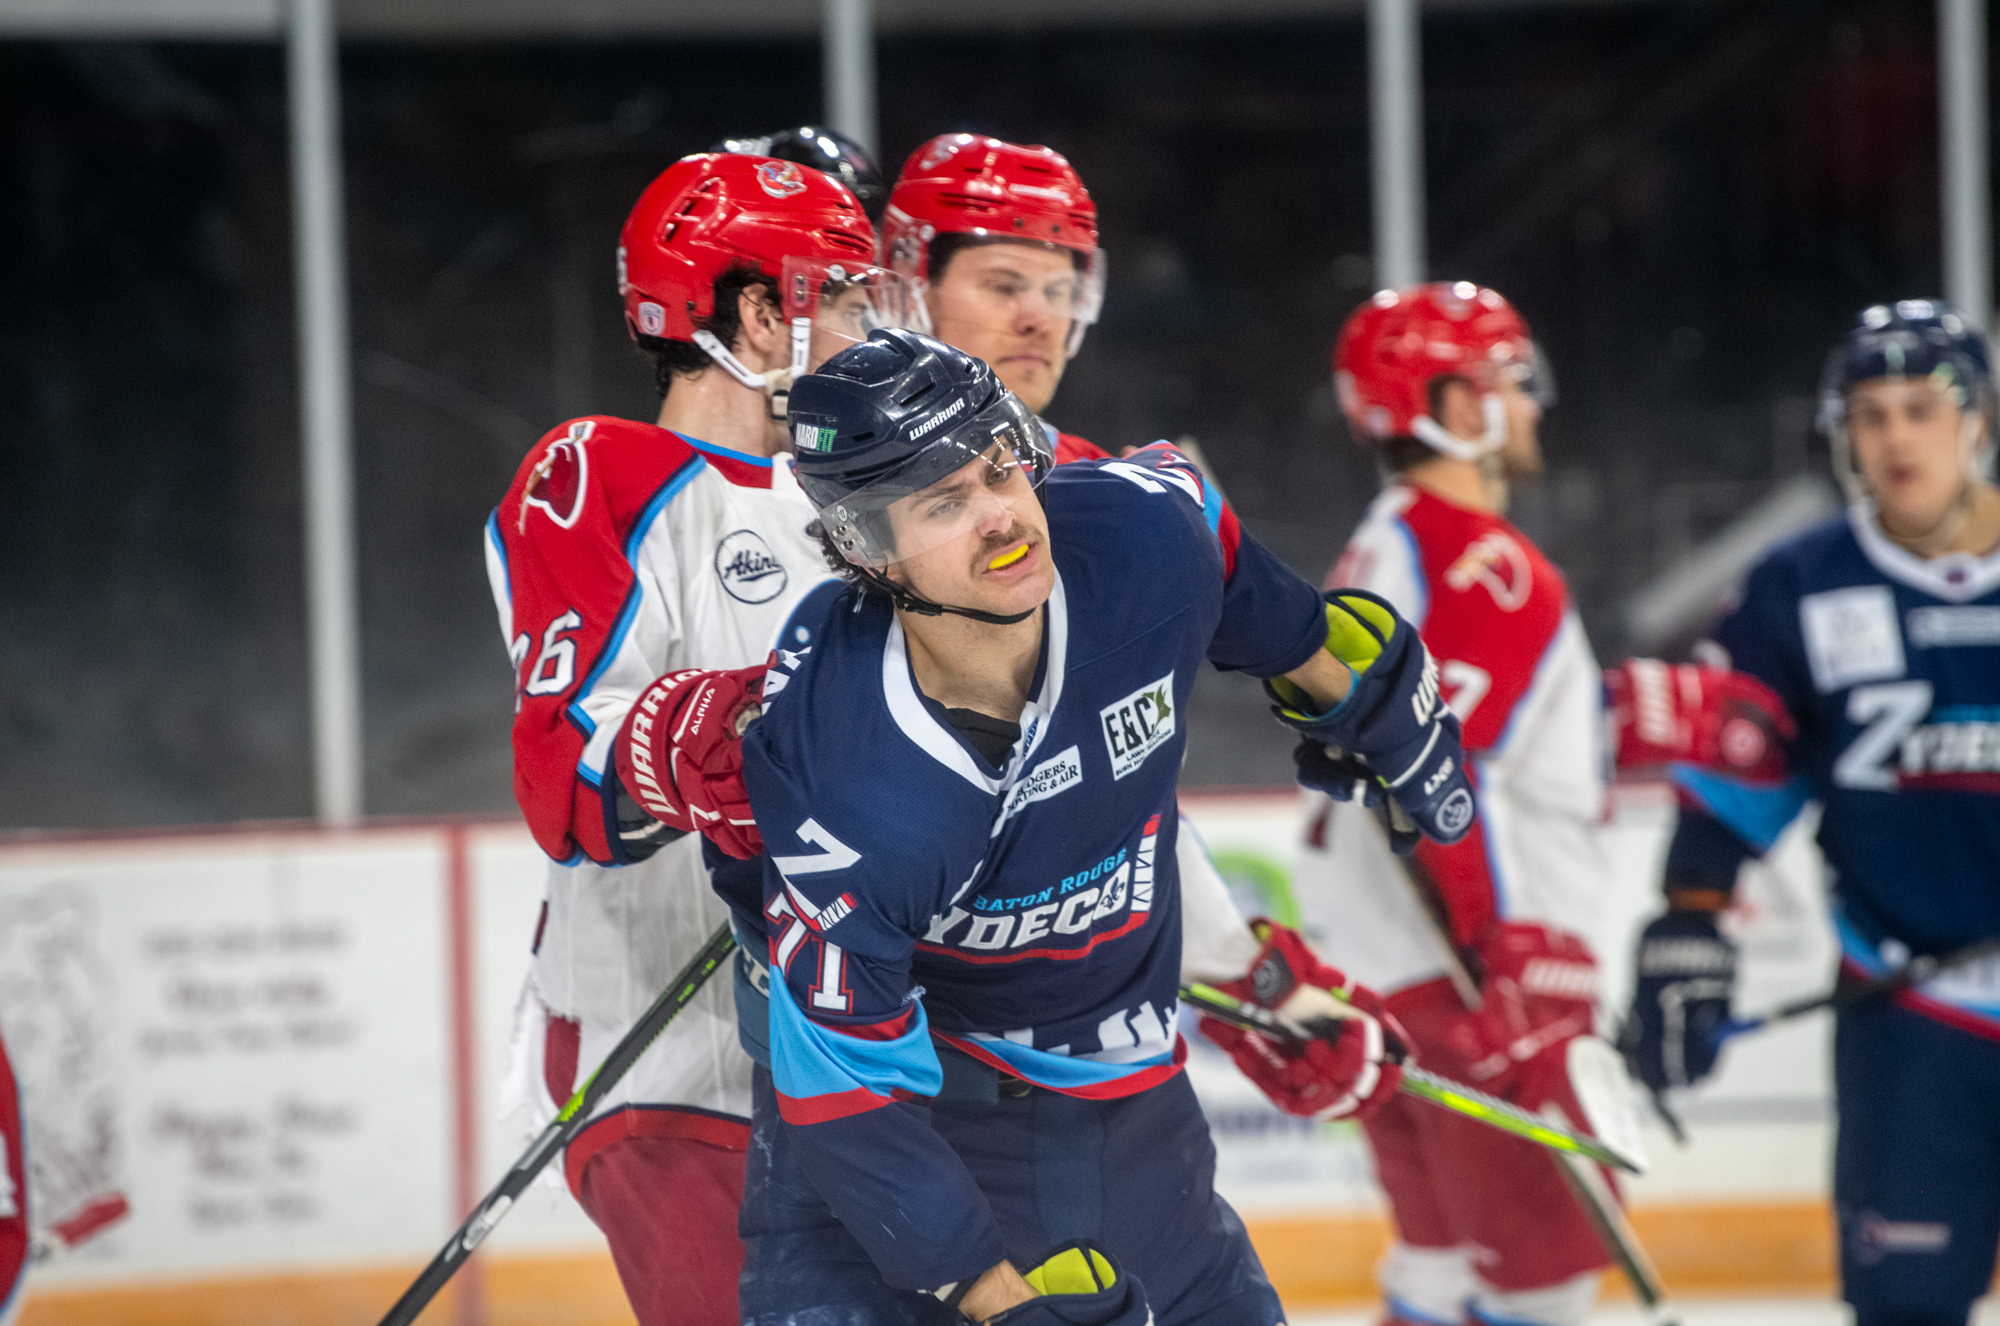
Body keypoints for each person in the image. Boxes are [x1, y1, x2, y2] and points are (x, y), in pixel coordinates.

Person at [615, 327, 1476, 1324]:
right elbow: (848, 1098)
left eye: (996, 470)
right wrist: (995, 1301)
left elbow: (1259, 596)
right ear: (863, 548)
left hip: (1133, 1125)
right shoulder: (851, 782)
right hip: (912, 1158)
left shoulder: (1141, 536)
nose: (998, 519)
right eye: (942, 503)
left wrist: (1363, 701)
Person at [484, 151, 911, 1326]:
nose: (862, 326)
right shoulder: (605, 473)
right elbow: (568, 773)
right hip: (668, 1055)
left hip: (850, 1047)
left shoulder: (864, 503)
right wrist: (736, 739)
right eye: (837, 295)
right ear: (756, 311)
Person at [1617, 299, 2000, 1326]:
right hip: (1909, 1008)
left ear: (1977, 422)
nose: (1892, 438)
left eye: (1918, 409)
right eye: (1867, 415)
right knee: (1905, 1304)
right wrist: (1687, 919)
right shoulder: (1796, 585)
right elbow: (1738, 772)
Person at [1294, 282, 1615, 1326]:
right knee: (1541, 1293)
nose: (1525, 408)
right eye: (1507, 385)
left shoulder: (1387, 542)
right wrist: (1499, 958)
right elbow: (1437, 776)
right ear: (1455, 405)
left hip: (1391, 972)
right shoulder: (1481, 565)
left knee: (1437, 1271)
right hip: (1477, 980)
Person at [881, 133, 1261, 984]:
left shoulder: (1101, 490)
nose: (1039, 318)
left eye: (1060, 289)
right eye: (1004, 284)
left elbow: (1127, 788)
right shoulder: (826, 482)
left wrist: (1251, 974)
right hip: (869, 980)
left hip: (1038, 1001)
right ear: (909, 284)